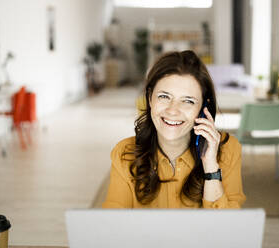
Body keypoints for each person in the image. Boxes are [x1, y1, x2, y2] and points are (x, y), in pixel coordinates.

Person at [102, 50, 246, 208]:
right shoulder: (124, 153)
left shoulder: (228, 149)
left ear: (203, 107)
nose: (173, 110)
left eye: (188, 101)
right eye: (164, 96)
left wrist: (211, 166)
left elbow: (225, 230)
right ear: (150, 98)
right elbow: (113, 226)